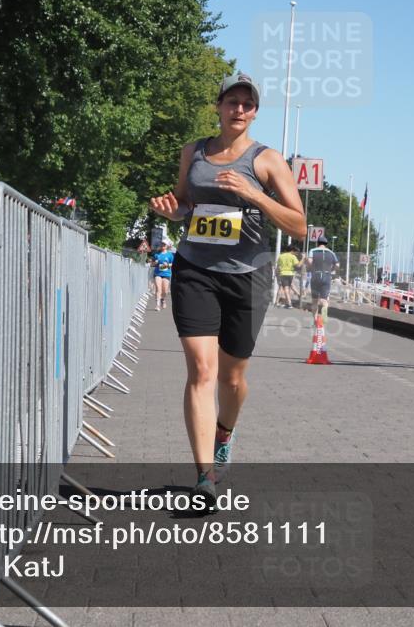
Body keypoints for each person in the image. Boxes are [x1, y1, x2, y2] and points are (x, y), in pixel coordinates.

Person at [149, 72, 306, 506]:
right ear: (218, 106)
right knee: (201, 370)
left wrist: (255, 195)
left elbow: (298, 224)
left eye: (247, 104)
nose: (239, 110)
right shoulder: (193, 152)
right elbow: (184, 203)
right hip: (195, 268)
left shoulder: (268, 160)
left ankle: (225, 432)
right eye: (231, 102)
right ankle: (204, 478)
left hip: (247, 275)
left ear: (255, 113)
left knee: (232, 378)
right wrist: (170, 207)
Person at [307, 236, 339, 320]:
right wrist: (331, 270)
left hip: (315, 276)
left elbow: (310, 262)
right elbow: (337, 265)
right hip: (327, 276)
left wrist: (311, 268)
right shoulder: (331, 253)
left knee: (314, 300)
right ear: (326, 244)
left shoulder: (312, 251)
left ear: (318, 243)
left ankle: (315, 319)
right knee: (324, 300)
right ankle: (324, 318)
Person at [150, 241, 174, 311]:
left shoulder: (170, 255)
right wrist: (155, 262)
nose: (162, 245)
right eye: (161, 244)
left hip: (166, 274)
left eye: (164, 244)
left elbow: (173, 264)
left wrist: (167, 265)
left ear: (167, 246)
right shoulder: (157, 254)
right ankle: (157, 305)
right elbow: (151, 264)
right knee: (158, 288)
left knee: (165, 291)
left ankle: (163, 299)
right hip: (158, 274)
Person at [275, 244, 299, 308]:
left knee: (282, 288)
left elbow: (278, 267)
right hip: (290, 274)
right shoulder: (293, 257)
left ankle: (284, 303)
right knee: (287, 288)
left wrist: (276, 275)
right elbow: (297, 265)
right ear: (292, 250)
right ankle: (287, 303)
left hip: (282, 274)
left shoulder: (281, 256)